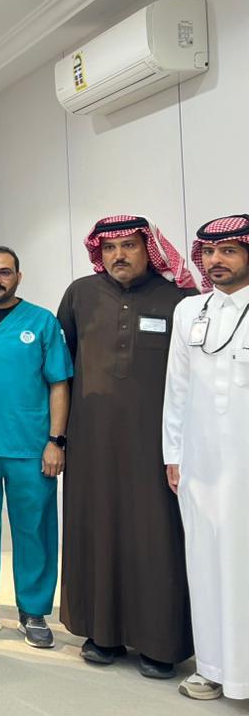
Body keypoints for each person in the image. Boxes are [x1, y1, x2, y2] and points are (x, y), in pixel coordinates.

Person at [57, 215, 196, 678]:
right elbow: (60, 367)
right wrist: (58, 437)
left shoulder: (179, 299)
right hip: (91, 443)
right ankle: (103, 634)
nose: (119, 255)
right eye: (110, 247)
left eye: (129, 245)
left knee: (157, 537)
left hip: (156, 446)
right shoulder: (80, 294)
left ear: (148, 249)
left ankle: (160, 642)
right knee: (98, 530)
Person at [0, 246, 71, 650]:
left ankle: (33, 611)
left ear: (18, 276)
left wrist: (55, 441)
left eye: (4, 272)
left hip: (30, 446)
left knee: (34, 529)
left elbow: (59, 383)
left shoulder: (41, 321)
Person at [164, 215, 249, 701]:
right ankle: (214, 668)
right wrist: (172, 454)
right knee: (206, 563)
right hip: (200, 465)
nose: (216, 260)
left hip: (244, 462)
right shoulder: (189, 310)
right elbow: (176, 387)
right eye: (210, 252)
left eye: (230, 250)